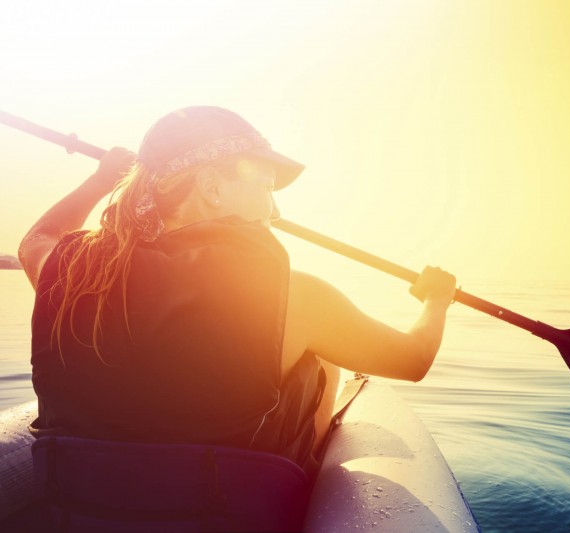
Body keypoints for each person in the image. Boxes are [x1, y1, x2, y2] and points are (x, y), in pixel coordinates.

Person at [18, 106, 456, 476]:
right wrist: (436, 299)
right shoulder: (296, 298)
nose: (276, 209)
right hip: (223, 507)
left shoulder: (74, 277)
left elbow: (36, 241)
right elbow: (413, 360)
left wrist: (101, 179)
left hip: (84, 506)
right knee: (318, 356)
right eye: (265, 187)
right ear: (211, 187)